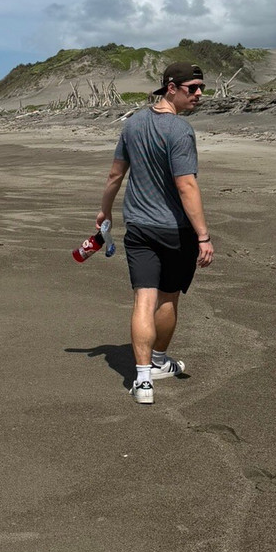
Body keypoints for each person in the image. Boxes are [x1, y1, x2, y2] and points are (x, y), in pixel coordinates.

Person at [95, 61, 215, 405]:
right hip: (174, 231)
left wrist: (105, 210)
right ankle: (157, 362)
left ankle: (145, 378)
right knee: (167, 297)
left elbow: (115, 176)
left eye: (201, 88)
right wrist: (203, 236)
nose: (199, 94)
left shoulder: (133, 124)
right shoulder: (179, 131)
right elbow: (186, 184)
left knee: (144, 299)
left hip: (139, 227)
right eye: (192, 88)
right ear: (171, 87)